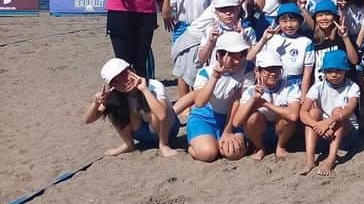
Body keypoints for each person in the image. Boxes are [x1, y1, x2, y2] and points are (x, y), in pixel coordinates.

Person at [85, 57, 179, 157]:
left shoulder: (154, 85)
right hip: (142, 134)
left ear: (132, 70)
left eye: (124, 74)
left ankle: (164, 145)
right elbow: (88, 120)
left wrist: (144, 90)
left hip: (168, 130)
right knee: (113, 106)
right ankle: (128, 144)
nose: (123, 81)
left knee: (155, 110)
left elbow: (162, 116)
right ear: (112, 85)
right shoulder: (115, 94)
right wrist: (96, 103)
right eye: (116, 81)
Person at [187, 31, 251, 163]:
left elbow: (237, 101)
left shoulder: (247, 69)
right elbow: (199, 102)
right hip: (205, 116)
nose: (235, 61)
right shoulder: (205, 72)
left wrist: (228, 131)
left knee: (233, 153)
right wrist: (215, 76)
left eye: (238, 56)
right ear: (219, 54)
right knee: (208, 154)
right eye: (230, 56)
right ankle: (193, 146)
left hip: (231, 118)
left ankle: (218, 138)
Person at [298, 50, 361, 176]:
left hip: (346, 134)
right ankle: (310, 159)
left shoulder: (352, 86)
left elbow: (350, 108)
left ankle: (331, 159)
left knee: (338, 111)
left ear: (345, 71)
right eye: (329, 71)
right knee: (314, 111)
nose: (333, 75)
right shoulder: (318, 86)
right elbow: (303, 112)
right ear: (324, 72)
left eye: (338, 71)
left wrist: (328, 122)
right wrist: (318, 125)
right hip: (323, 132)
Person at [233, 49, 301, 160]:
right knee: (252, 118)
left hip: (282, 130)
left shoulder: (290, 87)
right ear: (257, 71)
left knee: (286, 118)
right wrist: (254, 99)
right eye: (268, 70)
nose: (273, 73)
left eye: (277, 69)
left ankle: (280, 146)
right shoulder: (250, 91)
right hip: (260, 131)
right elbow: (236, 122)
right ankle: (259, 147)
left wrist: (265, 104)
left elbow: (293, 115)